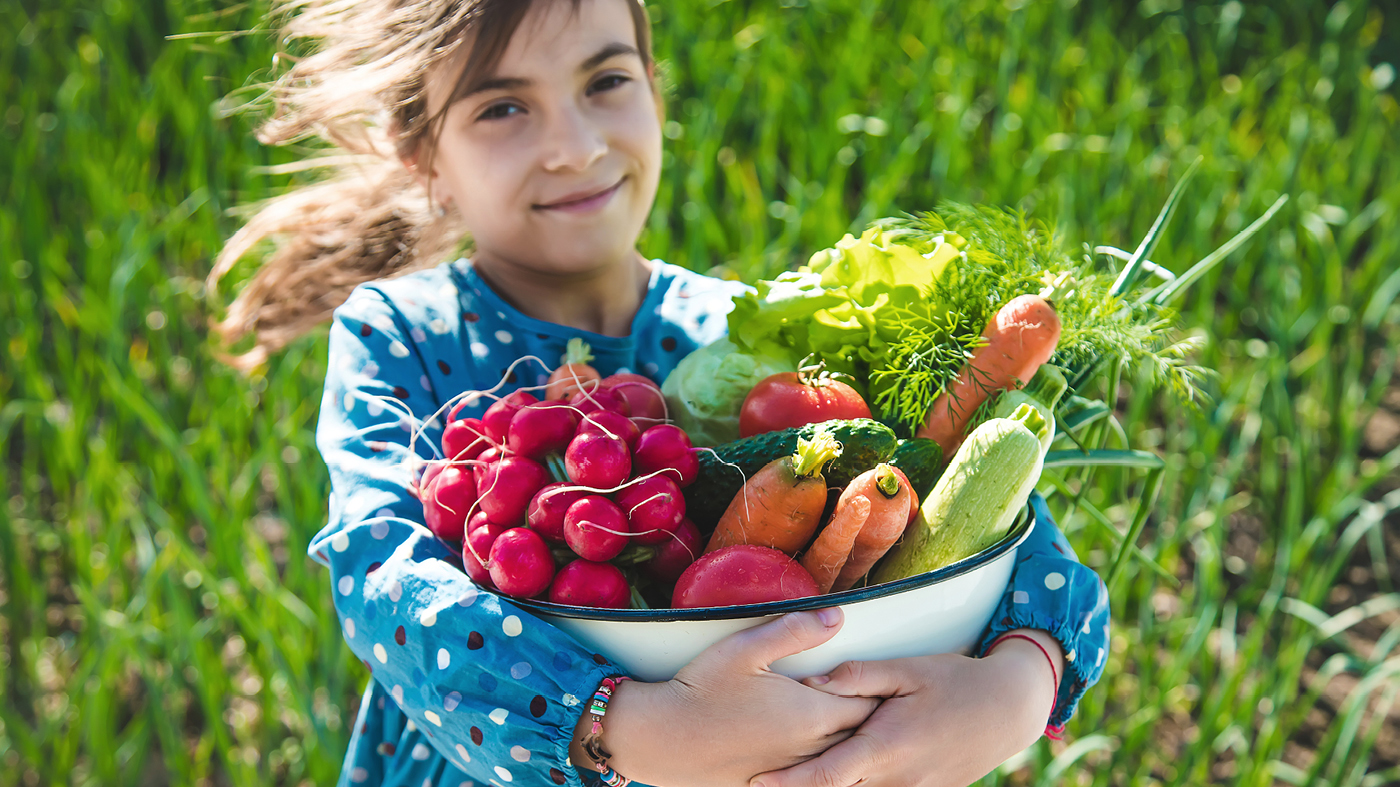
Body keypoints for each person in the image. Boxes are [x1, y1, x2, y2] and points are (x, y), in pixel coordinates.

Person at [209, 0, 1111, 785]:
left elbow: (972, 497)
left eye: (605, 82)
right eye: (503, 106)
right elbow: (381, 577)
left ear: (655, 88)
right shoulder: (403, 333)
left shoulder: (736, 328)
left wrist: (1022, 676)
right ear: (423, 155)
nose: (575, 145)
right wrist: (616, 725)